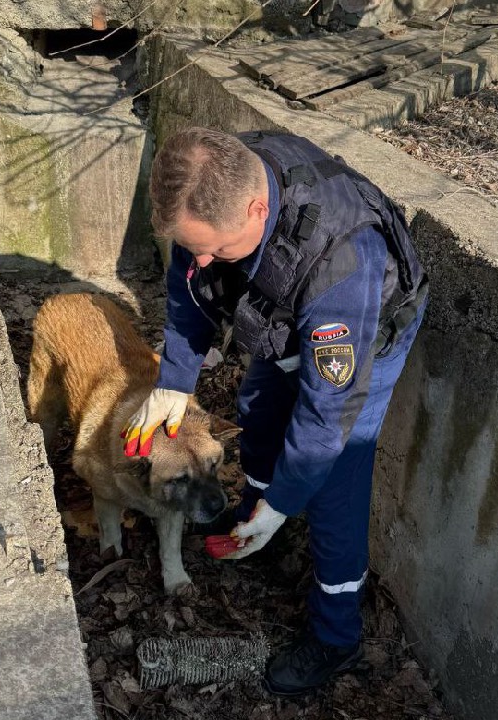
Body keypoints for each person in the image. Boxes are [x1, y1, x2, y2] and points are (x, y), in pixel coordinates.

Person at [121, 126, 428, 696]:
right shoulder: (210, 184)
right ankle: (256, 521)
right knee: (258, 409)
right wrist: (174, 385)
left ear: (257, 210)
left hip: (362, 337)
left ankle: (336, 636)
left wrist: (286, 500)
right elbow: (188, 292)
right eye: (191, 246)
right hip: (282, 312)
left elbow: (324, 414)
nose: (202, 259)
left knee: (333, 484)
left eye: (214, 249)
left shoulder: (342, 264)